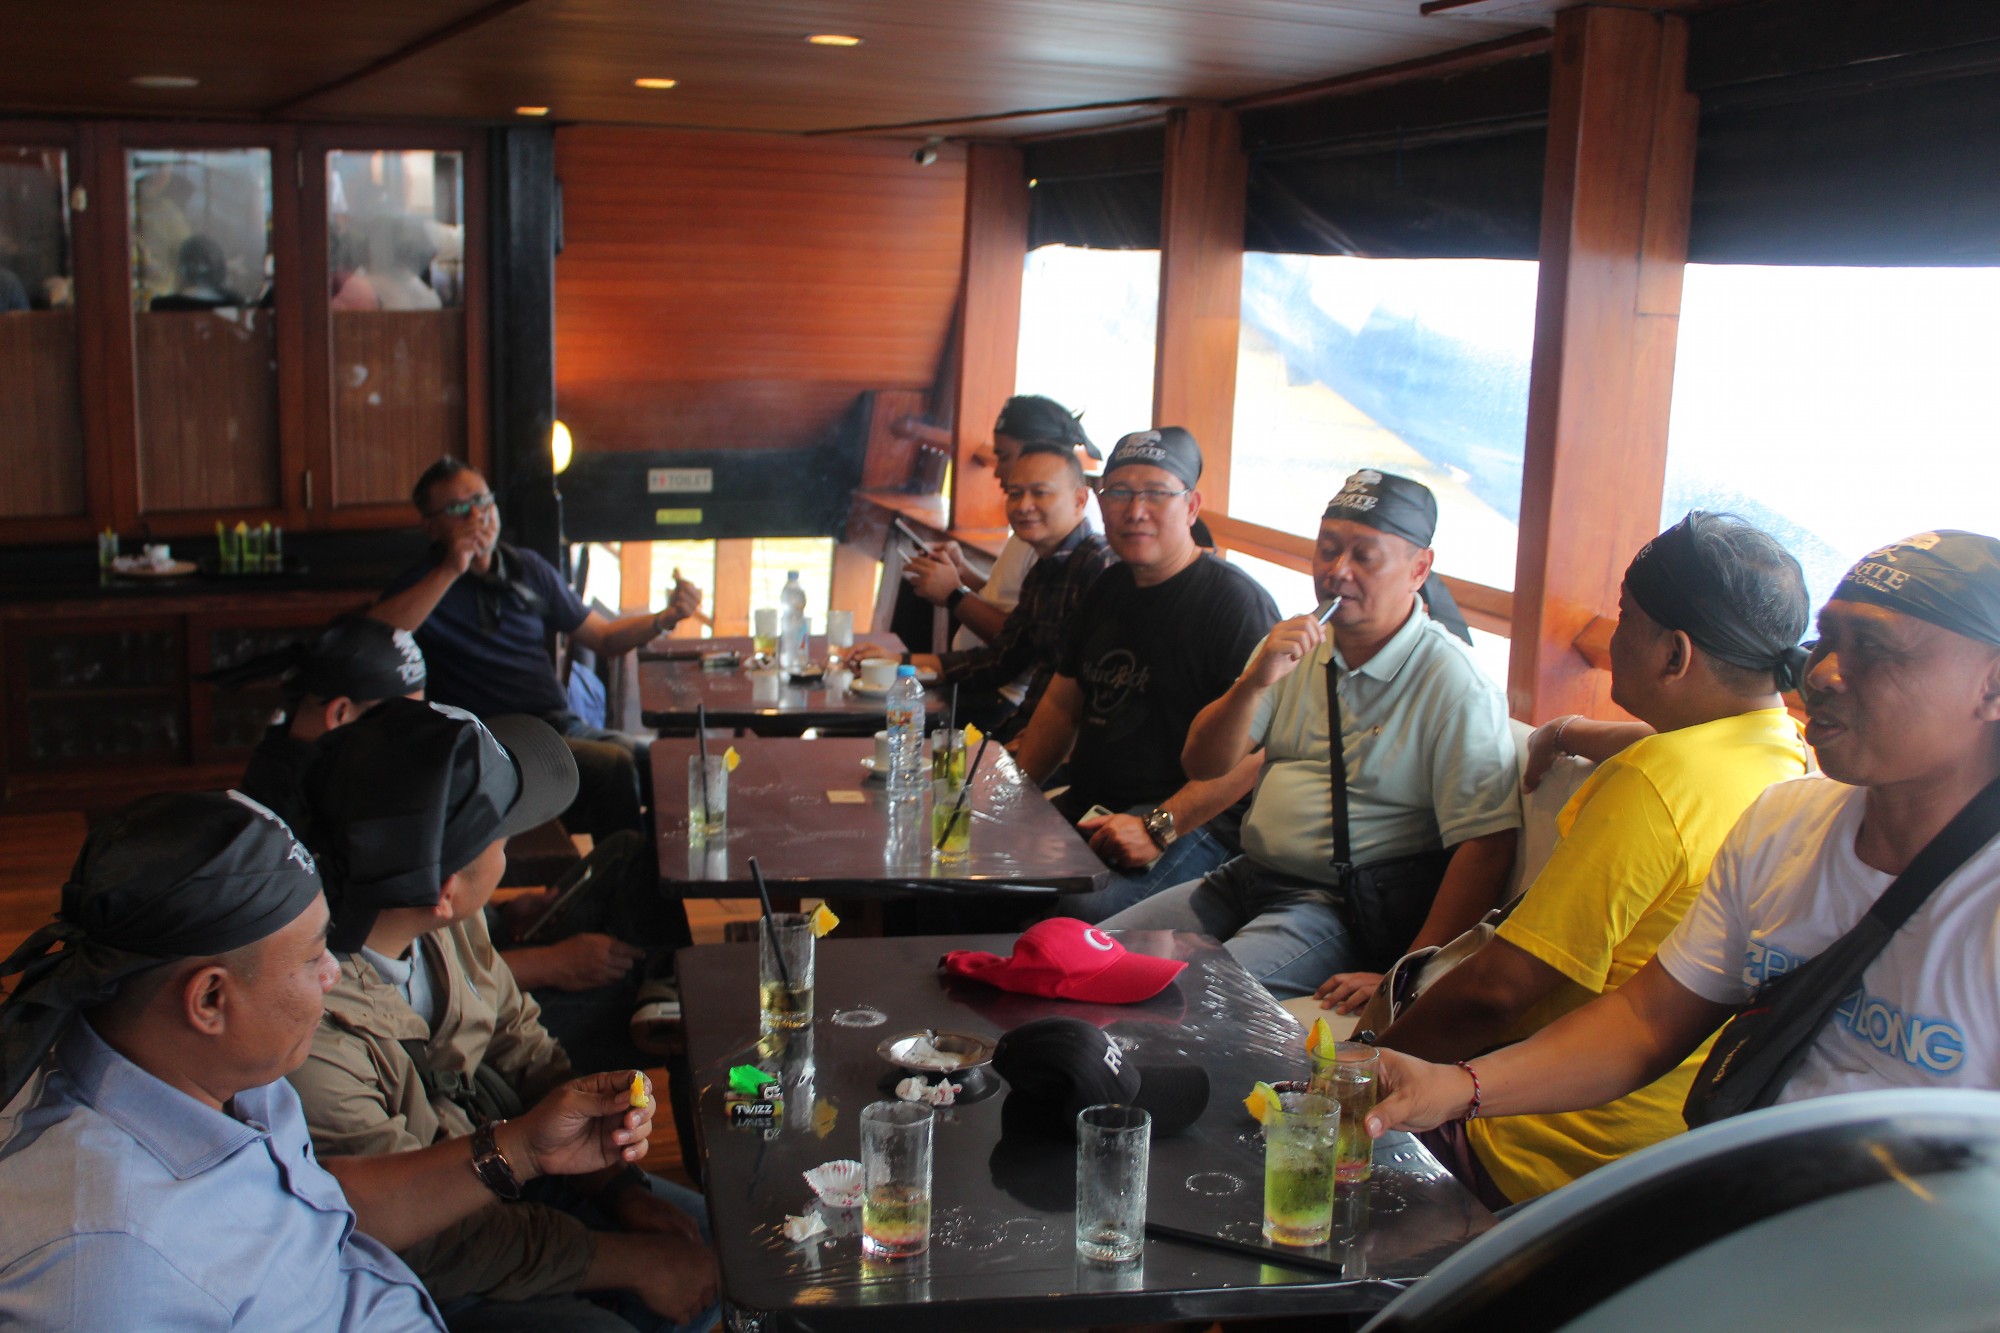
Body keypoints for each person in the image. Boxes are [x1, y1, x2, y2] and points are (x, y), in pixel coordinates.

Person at [1367, 530, 2000, 1164]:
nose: (1825, 672)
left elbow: (1498, 992)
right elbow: (1647, 1022)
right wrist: (1454, 1087)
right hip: (1718, 1185)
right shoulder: (1783, 814)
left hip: (1579, 1161)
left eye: (1875, 647)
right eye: (1828, 639)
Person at [0, 790, 671, 1329]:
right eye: (312, 956)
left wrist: (522, 1149)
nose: (333, 974)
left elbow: (326, 1208)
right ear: (209, 999)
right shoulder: (106, 1269)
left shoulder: (224, 1077)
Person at [1370, 512, 1812, 1205]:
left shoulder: (1653, 785)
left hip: (1538, 1147)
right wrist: (1569, 730)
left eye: (1624, 616)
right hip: (1659, 1150)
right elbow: (1675, 754)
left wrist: (1365, 1068)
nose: (1612, 635)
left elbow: (1497, 993)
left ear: (1675, 655)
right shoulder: (1788, 756)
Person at [287, 699, 718, 1331]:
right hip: (420, 1263)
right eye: (504, 835)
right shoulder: (309, 1028)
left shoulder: (433, 919)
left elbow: (518, 1036)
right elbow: (419, 1236)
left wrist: (617, 1188)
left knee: (720, 1246)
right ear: (446, 891)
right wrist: (622, 1259)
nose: (510, 849)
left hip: (507, 1161)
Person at [1101, 471, 1520, 1000]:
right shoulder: (1294, 647)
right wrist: (1254, 683)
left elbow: (1488, 844)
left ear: (1418, 569)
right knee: (1092, 957)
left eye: (1364, 556)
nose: (1337, 571)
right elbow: (1203, 764)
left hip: (1337, 903)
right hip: (1246, 875)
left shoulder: (1454, 682)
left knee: (1195, 998)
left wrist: (1411, 972)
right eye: (1327, 550)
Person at [223, 616, 684, 1069]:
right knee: (642, 1015)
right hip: (437, 1007)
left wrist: (502, 913)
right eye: (400, 714)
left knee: (627, 855)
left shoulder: (337, 772)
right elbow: (388, 966)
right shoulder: (295, 840)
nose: (419, 726)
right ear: (343, 714)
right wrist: (549, 964)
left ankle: (662, 989)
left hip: (459, 943)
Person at [1013, 427, 1280, 920]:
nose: (1135, 511)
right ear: (1100, 502)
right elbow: (1060, 705)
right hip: (1094, 804)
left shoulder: (1236, 604)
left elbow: (1257, 754)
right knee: (972, 872)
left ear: (1191, 506)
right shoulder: (1108, 586)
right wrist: (1013, 796)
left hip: (1191, 822)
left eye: (1156, 493)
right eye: (1119, 493)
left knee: (1075, 912)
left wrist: (1159, 826)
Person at [371, 456, 704, 840]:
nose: (477, 515)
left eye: (482, 500)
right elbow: (375, 636)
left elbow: (604, 638)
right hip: (492, 744)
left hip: (557, 725)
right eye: (459, 509)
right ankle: (619, 876)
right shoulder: (422, 586)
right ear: (431, 526)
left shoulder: (526, 567)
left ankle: (648, 872)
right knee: (612, 766)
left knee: (659, 763)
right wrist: (452, 568)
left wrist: (665, 617)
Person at [856, 445, 1114, 739]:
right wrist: (901, 663)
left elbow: (1092, 691)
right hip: (1027, 727)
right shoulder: (1044, 569)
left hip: (1052, 738)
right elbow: (1003, 657)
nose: (1024, 505)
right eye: (1014, 494)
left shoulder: (1098, 565)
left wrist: (954, 595)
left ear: (1080, 500)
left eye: (1040, 493)